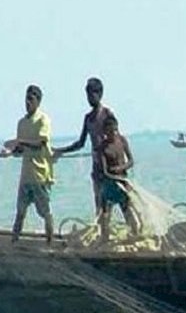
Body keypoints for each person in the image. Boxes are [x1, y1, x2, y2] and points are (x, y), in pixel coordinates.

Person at [0, 85, 55, 243]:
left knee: (45, 212)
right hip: (26, 176)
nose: (27, 103)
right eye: (26, 99)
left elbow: (40, 143)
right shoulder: (22, 123)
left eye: (31, 99)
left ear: (38, 101)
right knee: (20, 212)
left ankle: (50, 243)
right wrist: (9, 153)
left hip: (40, 175)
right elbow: (20, 150)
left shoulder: (43, 120)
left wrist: (19, 142)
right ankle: (14, 242)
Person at [53, 77, 116, 212]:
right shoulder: (88, 118)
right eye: (87, 95)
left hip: (110, 166)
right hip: (97, 168)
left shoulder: (107, 114)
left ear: (99, 94)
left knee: (114, 202)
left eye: (91, 94)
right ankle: (102, 230)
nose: (89, 98)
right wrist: (60, 150)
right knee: (100, 205)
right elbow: (81, 143)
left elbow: (116, 139)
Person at [98, 115, 141, 243]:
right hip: (109, 184)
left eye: (115, 130)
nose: (113, 133)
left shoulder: (122, 140)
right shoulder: (103, 147)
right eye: (110, 131)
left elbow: (131, 161)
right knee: (106, 213)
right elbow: (105, 170)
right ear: (105, 132)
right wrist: (113, 174)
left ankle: (135, 235)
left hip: (122, 182)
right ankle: (105, 238)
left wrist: (121, 168)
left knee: (126, 209)